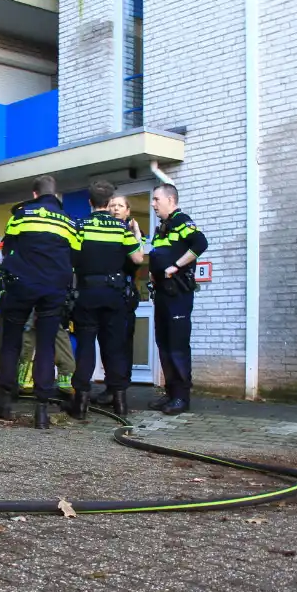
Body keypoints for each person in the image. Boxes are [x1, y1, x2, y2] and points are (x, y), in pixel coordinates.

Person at [0, 175, 79, 429]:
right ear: (55, 195)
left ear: (35, 194)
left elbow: (8, 247)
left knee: (11, 343)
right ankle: (41, 410)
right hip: (53, 289)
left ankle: (4, 399)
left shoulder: (21, 215)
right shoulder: (69, 221)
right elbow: (75, 255)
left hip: (22, 285)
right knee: (47, 346)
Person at [70, 181, 145, 417]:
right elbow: (138, 259)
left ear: (90, 202)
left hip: (87, 294)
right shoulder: (121, 229)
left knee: (85, 348)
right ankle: (120, 403)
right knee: (114, 348)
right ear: (109, 202)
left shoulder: (80, 226)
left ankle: (81, 404)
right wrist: (137, 236)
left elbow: (70, 257)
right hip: (114, 295)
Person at [148, 168, 208, 415]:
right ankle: (171, 394)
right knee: (163, 344)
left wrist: (176, 266)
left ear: (170, 200)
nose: (153, 204)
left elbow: (200, 243)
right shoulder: (163, 226)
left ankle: (182, 397)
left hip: (178, 295)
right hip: (162, 293)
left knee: (177, 346)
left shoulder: (182, 221)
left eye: (156, 199)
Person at [95, 194, 145, 406]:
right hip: (105, 294)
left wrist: (135, 234)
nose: (115, 209)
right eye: (112, 205)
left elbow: (137, 262)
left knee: (122, 343)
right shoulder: (103, 230)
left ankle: (120, 388)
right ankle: (111, 385)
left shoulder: (131, 233)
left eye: (120, 206)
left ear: (127, 211)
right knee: (106, 343)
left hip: (123, 295)